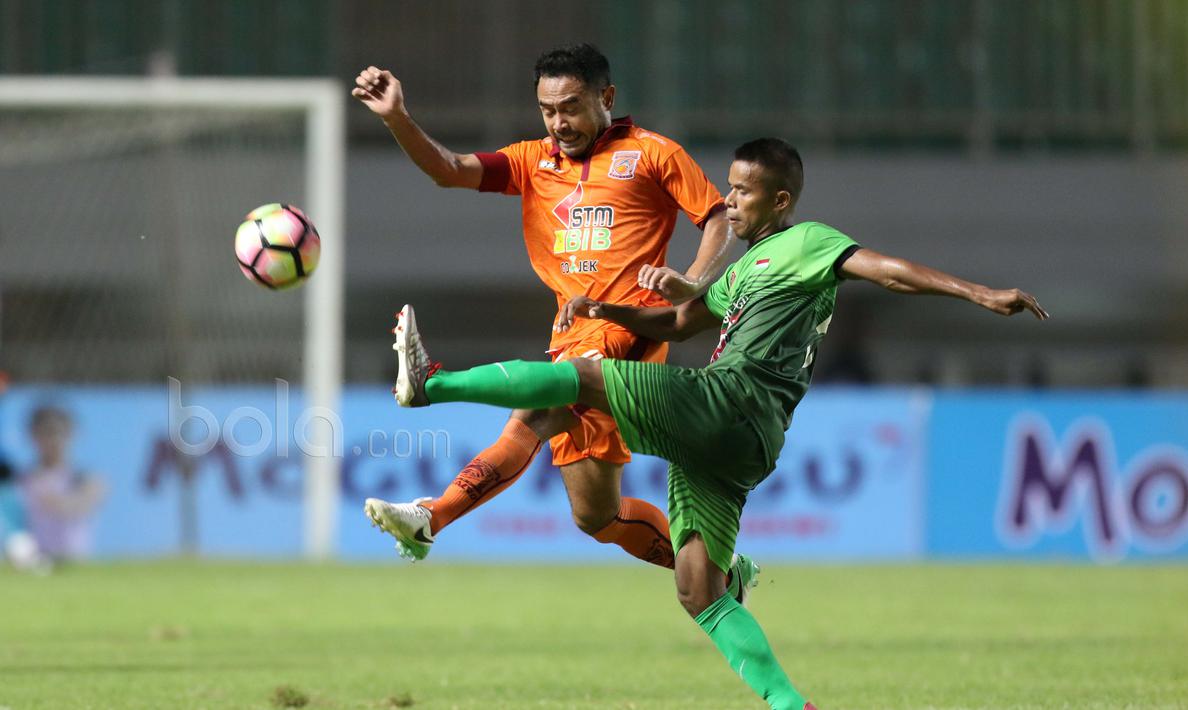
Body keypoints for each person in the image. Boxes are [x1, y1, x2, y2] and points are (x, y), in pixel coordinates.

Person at [368, 138, 1048, 709]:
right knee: (700, 591)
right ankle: (792, 705)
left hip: (732, 400)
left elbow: (886, 271)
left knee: (576, 381)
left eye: (744, 192)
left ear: (780, 201)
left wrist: (977, 291)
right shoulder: (743, 271)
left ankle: (433, 386)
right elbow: (677, 323)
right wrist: (610, 313)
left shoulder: (808, 242)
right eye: (729, 187)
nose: (731, 201)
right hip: (743, 444)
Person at [353, 44, 736, 572]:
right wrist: (397, 118)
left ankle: (432, 447)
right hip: (570, 336)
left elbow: (718, 217)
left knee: (534, 412)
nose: (559, 122)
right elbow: (450, 169)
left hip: (627, 333)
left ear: (606, 97)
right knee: (597, 518)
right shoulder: (533, 161)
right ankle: (722, 570)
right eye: (548, 110)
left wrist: (692, 282)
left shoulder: (653, 154)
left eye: (571, 106)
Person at [20, 406, 106, 563]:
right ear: (33, 436)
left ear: (72, 434)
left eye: (60, 433)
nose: (54, 440)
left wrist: (54, 501)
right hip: (33, 565)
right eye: (46, 433)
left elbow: (84, 505)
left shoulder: (84, 478)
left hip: (74, 563)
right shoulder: (21, 480)